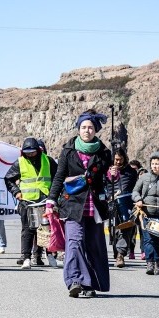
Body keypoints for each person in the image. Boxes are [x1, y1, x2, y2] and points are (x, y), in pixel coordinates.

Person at [47, 109, 112, 298]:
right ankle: (75, 281)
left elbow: (107, 176)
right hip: (73, 204)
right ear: (78, 129)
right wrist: (51, 199)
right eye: (83, 127)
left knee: (92, 244)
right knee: (74, 242)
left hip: (95, 205)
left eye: (90, 127)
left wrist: (111, 174)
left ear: (96, 130)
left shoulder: (103, 152)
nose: (87, 131)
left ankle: (89, 283)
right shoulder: (68, 151)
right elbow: (59, 176)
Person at [4, 137, 52, 269]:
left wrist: (53, 196)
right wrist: (16, 192)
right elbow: (8, 179)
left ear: (38, 150)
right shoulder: (19, 162)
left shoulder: (48, 160)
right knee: (28, 230)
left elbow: (57, 178)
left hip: (44, 201)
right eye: (27, 152)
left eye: (32, 151)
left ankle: (50, 255)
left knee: (47, 230)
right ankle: (26, 258)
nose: (30, 154)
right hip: (27, 202)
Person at [106, 148, 138, 266]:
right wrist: (111, 176)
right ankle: (116, 251)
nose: (118, 162)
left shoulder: (131, 171)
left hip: (127, 203)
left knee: (126, 227)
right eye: (116, 160)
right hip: (111, 203)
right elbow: (105, 185)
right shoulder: (107, 171)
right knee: (113, 229)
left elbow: (135, 187)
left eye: (120, 159)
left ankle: (120, 254)